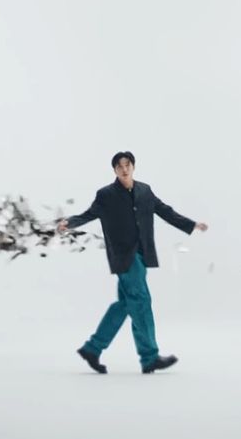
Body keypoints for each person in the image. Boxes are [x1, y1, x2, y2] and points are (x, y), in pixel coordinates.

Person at [56, 150, 209, 374]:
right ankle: (150, 357)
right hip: (123, 256)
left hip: (142, 253)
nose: (124, 168)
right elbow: (90, 214)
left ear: (133, 167)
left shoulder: (145, 191)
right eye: (119, 166)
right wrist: (69, 223)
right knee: (142, 301)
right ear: (115, 170)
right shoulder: (106, 194)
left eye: (127, 164)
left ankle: (93, 348)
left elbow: (165, 211)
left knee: (126, 304)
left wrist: (191, 224)